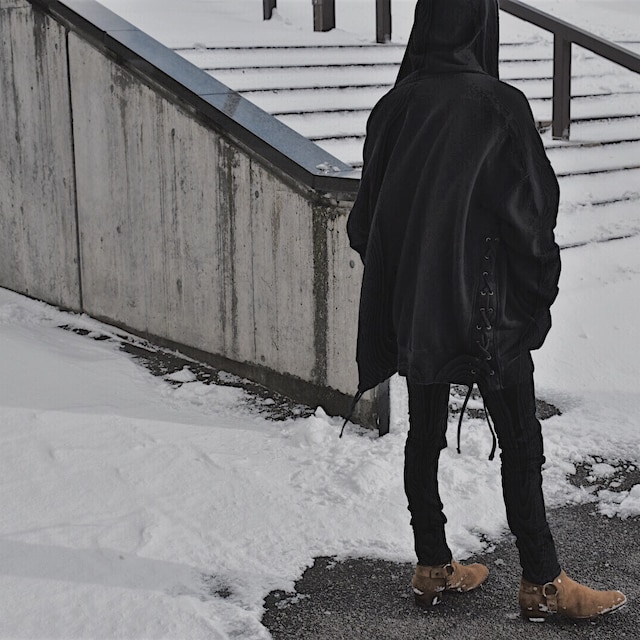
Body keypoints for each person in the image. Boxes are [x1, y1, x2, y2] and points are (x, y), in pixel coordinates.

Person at [346, 0, 626, 622]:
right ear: (480, 23)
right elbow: (533, 218)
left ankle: (432, 564)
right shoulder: (500, 105)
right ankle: (543, 582)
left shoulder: (392, 108)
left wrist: (413, 283)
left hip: (417, 315)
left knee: (423, 435)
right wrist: (533, 298)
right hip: (487, 315)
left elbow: (364, 224)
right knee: (521, 441)